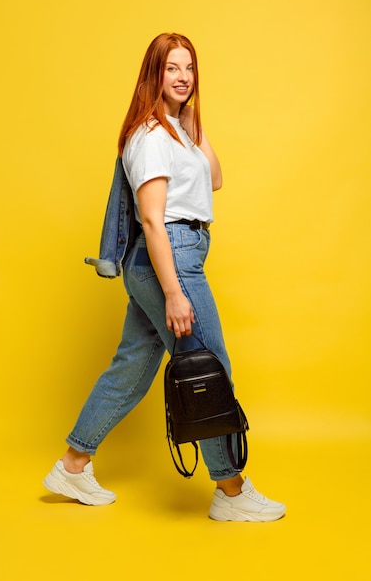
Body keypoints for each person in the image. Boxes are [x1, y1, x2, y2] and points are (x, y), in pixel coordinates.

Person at [43, 33, 286, 522]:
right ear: (153, 75)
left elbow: (215, 178)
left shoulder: (177, 129)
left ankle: (73, 464)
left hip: (170, 256)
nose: (182, 77)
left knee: (132, 368)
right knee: (209, 369)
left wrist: (194, 122)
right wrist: (174, 291)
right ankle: (232, 492)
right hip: (169, 259)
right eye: (171, 68)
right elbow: (154, 221)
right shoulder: (151, 138)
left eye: (189, 68)